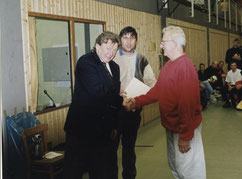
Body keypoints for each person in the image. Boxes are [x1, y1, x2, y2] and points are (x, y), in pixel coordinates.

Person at [130, 26, 206, 179]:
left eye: (163, 41)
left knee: (189, 170)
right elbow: (157, 91)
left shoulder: (184, 67)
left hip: (184, 129)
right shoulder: (169, 66)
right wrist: (135, 102)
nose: (160, 45)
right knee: (176, 167)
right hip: (172, 126)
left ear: (175, 44)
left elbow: (187, 104)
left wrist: (185, 135)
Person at [63, 31, 130, 179]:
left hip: (103, 130)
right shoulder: (86, 62)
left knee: (101, 170)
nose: (111, 54)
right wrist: (120, 101)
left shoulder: (114, 67)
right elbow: (98, 93)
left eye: (114, 50)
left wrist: (114, 126)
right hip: (81, 130)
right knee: (74, 171)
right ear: (97, 46)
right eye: (108, 49)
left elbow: (111, 93)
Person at [113, 26, 156, 179]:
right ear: (120, 40)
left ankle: (129, 176)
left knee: (129, 147)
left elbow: (151, 82)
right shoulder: (112, 56)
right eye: (125, 37)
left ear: (136, 40)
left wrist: (139, 96)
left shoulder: (142, 59)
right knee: (111, 148)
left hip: (133, 110)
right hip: (114, 110)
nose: (129, 41)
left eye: (132, 37)